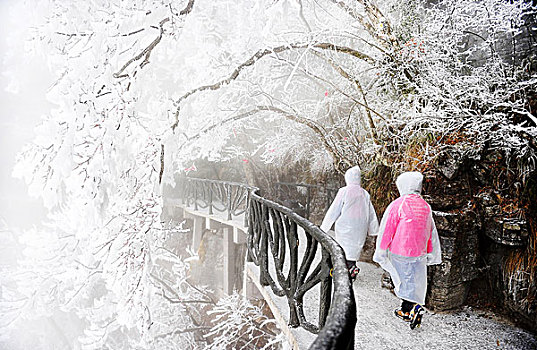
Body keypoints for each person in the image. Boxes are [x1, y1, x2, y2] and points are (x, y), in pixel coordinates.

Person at [373, 172, 442, 329]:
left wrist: (381, 249)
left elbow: (387, 229)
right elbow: (430, 231)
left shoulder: (398, 204)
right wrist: (431, 252)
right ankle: (412, 306)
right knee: (415, 282)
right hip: (420, 252)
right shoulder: (426, 206)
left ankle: (409, 309)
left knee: (403, 280)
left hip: (400, 250)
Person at [320, 166, 379, 281]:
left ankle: (346, 269)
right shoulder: (365, 193)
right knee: (354, 248)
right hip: (360, 226)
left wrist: (324, 227)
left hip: (345, 224)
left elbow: (334, 210)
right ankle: (352, 266)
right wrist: (373, 230)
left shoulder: (344, 191)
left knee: (343, 247)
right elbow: (371, 213)